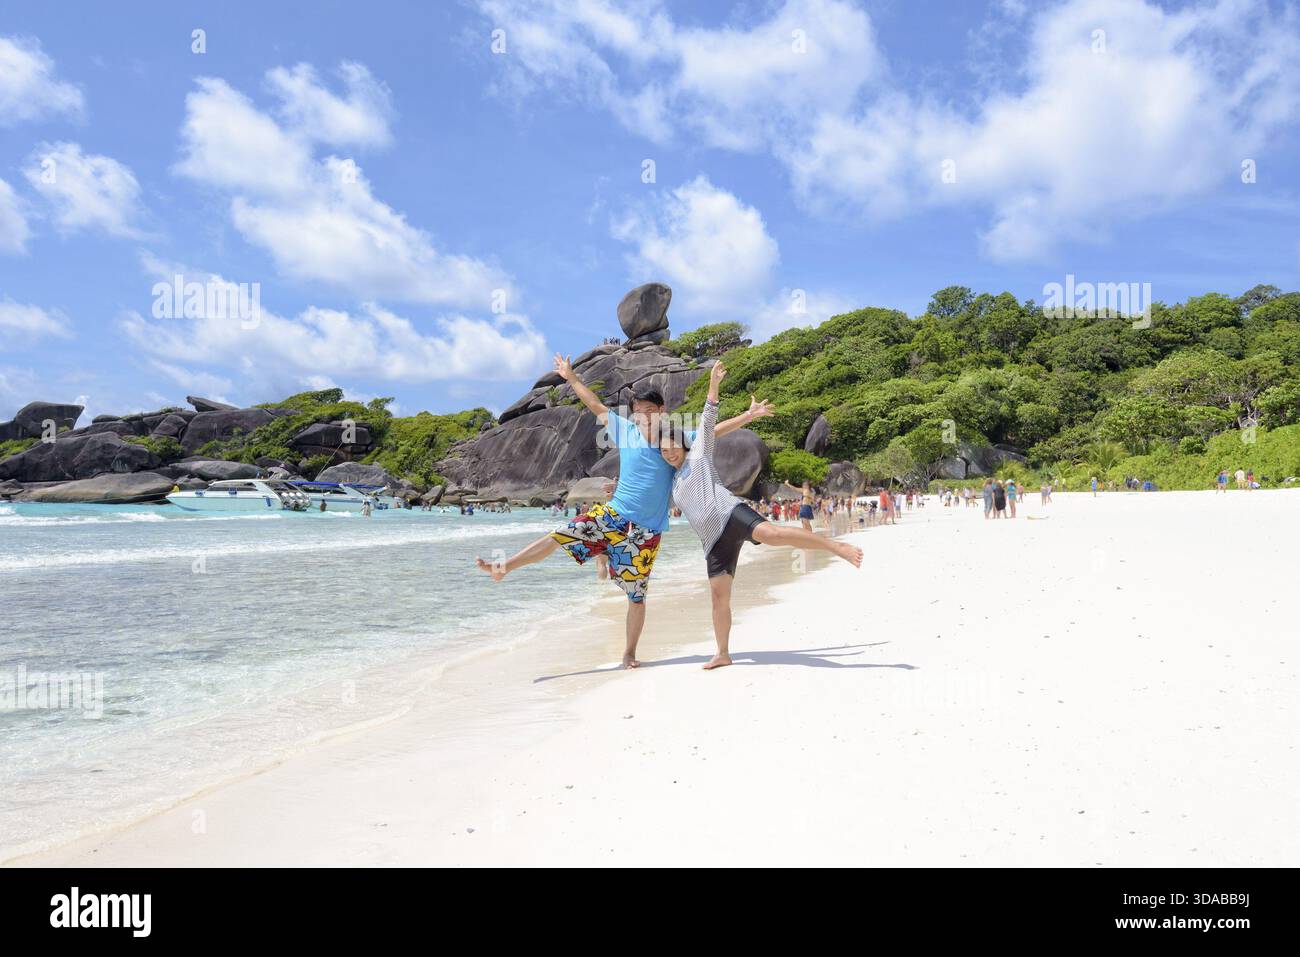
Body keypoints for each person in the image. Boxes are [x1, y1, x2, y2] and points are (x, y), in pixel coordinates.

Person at [475, 353, 773, 669]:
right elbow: (595, 406)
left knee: (637, 596)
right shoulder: (625, 431)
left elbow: (712, 432)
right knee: (558, 536)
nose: (642, 417)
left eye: (649, 412)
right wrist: (571, 377)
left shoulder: (674, 439)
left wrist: (747, 416)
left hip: (647, 531)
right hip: (613, 516)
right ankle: (505, 566)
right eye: (637, 413)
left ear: (662, 412)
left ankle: (629, 653)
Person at [659, 360, 862, 670]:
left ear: (682, 445)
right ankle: (723, 652)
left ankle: (837, 548)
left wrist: (714, 383)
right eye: (664, 450)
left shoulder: (699, 452)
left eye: (672, 446)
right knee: (718, 599)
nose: (670, 452)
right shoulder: (673, 482)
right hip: (712, 543)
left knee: (774, 535)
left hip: (731, 514)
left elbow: (709, 415)